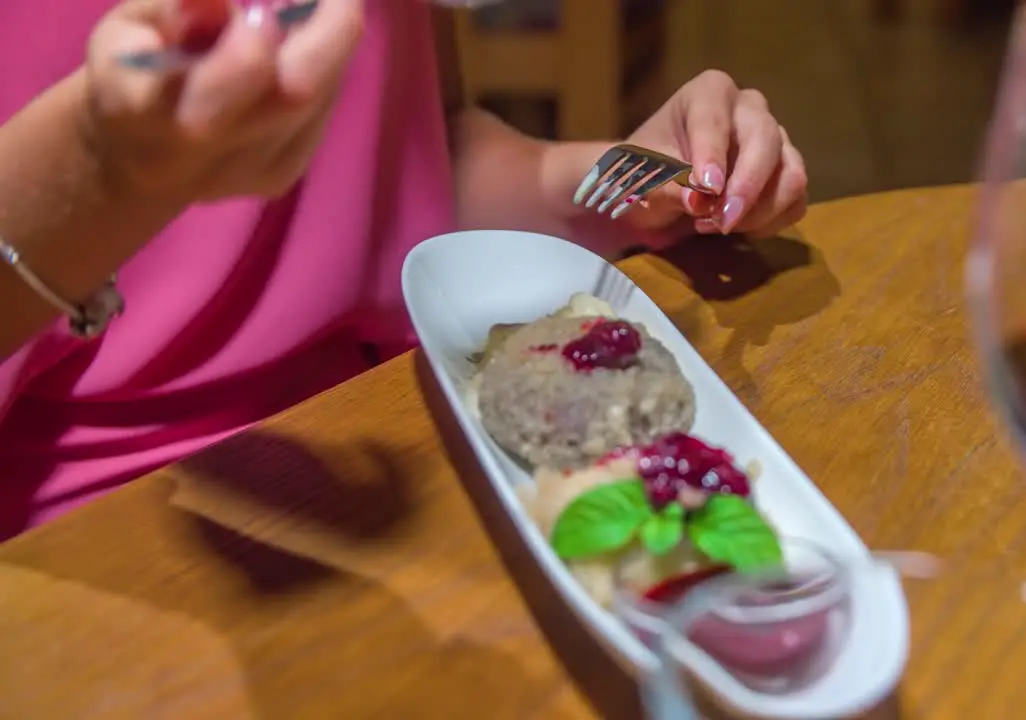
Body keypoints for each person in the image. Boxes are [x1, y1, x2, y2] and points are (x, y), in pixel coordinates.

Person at [0, 0, 808, 539]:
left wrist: (604, 185)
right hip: (107, 542)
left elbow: (424, 163)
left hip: (416, 441)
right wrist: (98, 178)